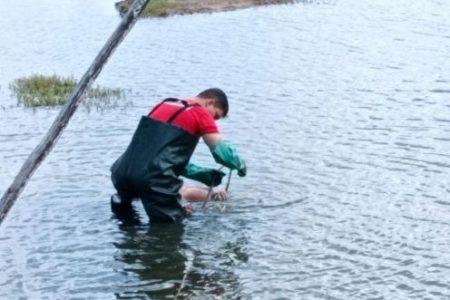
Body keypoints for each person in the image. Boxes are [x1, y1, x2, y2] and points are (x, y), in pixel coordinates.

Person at [110, 88, 246, 222]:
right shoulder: (200, 113)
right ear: (209, 103)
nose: (214, 121)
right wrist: (239, 164)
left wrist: (199, 173)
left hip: (122, 174)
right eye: (215, 116)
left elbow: (158, 155)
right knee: (169, 232)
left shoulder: (165, 104)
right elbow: (224, 155)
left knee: (127, 229)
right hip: (153, 181)